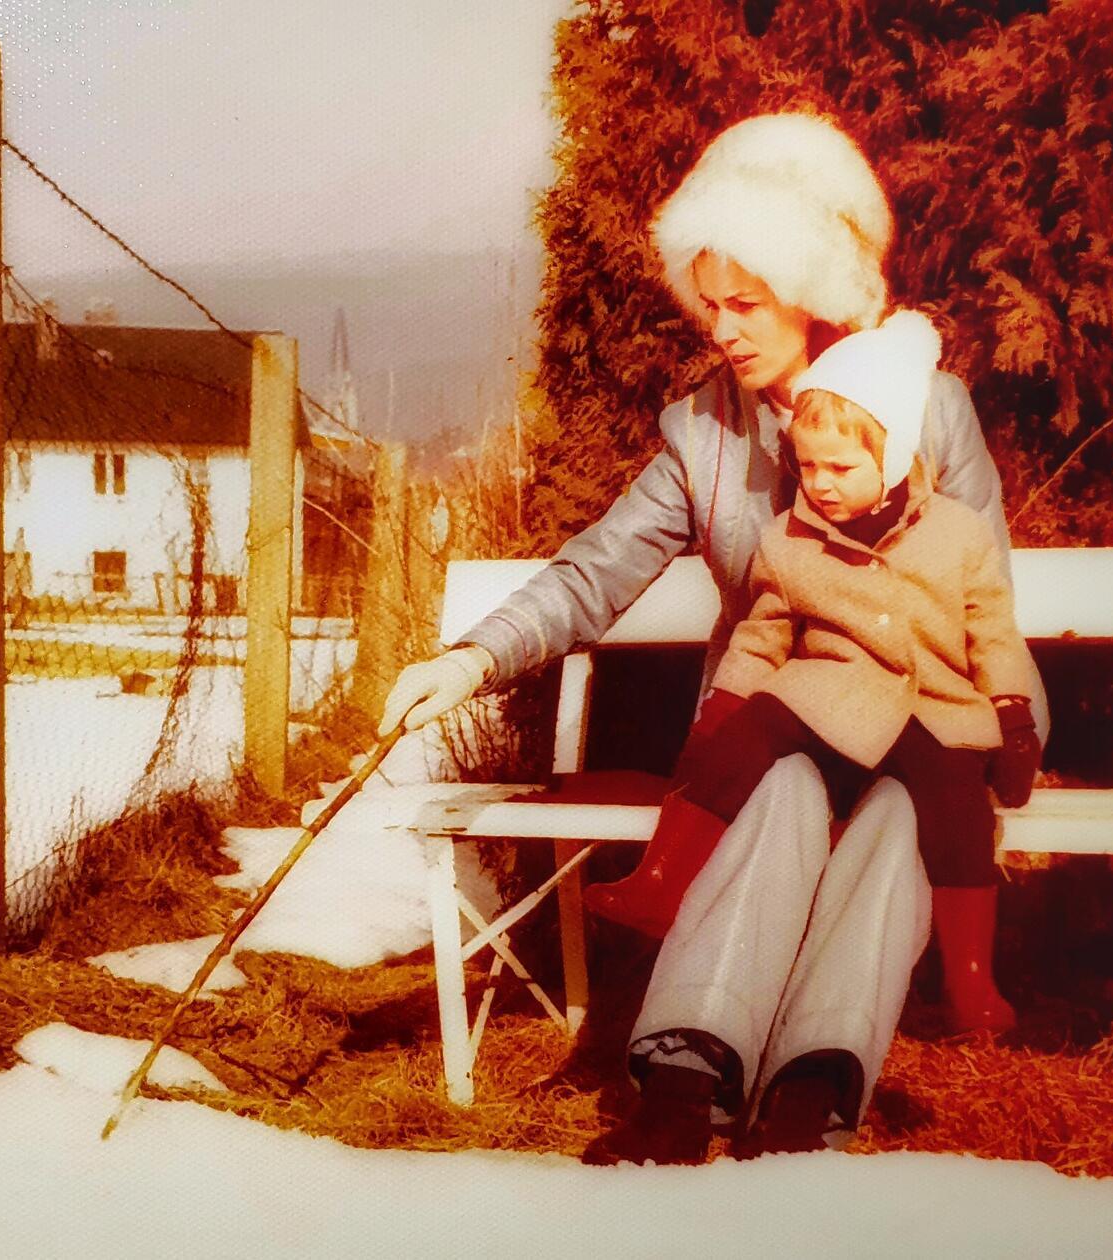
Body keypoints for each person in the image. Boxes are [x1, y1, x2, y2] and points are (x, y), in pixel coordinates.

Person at [377, 112, 1049, 1163]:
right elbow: (593, 571)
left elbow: (983, 596)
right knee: (775, 788)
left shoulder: (925, 411)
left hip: (920, 716)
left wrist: (1005, 737)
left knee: (893, 818)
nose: (722, 329)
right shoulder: (701, 433)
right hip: (772, 723)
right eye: (709, 304)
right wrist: (471, 656)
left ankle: (811, 1085)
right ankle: (684, 1073)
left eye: (746, 303)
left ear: (811, 291)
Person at [580, 310, 1042, 1045]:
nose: (820, 485)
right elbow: (762, 636)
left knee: (960, 815)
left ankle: (971, 983)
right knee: (749, 730)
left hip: (934, 709)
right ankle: (664, 879)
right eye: (808, 466)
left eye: (841, 468)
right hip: (831, 698)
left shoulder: (955, 533)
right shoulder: (788, 540)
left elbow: (991, 629)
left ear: (890, 460)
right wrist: (723, 709)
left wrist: (1012, 715)